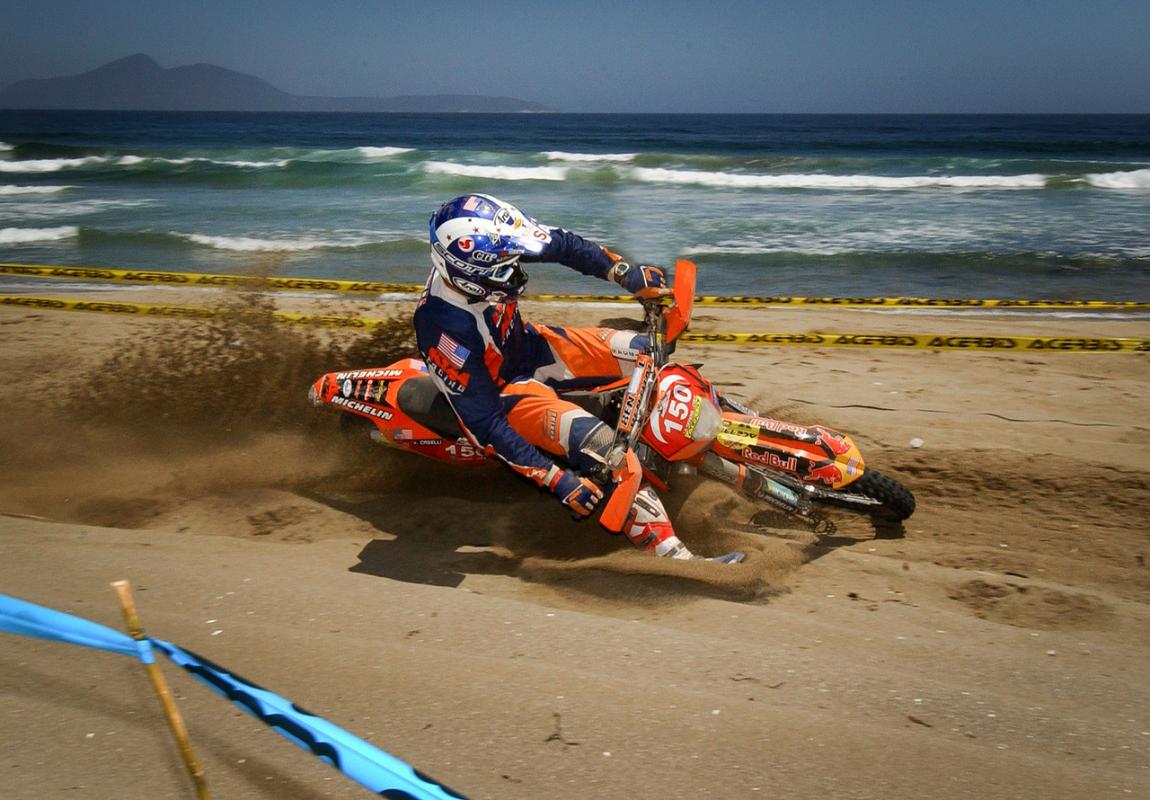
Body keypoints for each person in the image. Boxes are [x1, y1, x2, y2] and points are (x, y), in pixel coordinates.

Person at [413, 193, 729, 561]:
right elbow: (483, 423)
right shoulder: (441, 326)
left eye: (513, 260)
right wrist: (555, 479)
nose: (516, 272)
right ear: (465, 276)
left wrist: (624, 273)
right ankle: (675, 558)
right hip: (507, 394)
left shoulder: (494, 243)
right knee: (606, 448)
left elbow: (561, 244)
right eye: (503, 270)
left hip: (534, 346)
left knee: (649, 350)